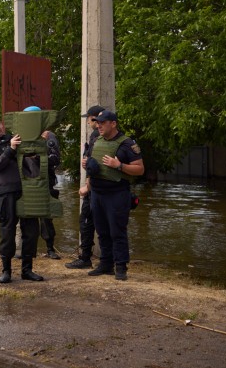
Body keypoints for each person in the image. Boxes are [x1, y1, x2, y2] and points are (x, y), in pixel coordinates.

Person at [81, 110, 144, 281]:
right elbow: (92, 166)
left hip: (117, 194)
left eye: (103, 122)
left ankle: (121, 266)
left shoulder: (127, 144)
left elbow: (140, 169)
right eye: (97, 122)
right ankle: (106, 264)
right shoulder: (96, 141)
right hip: (97, 193)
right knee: (102, 231)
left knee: (117, 231)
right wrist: (87, 165)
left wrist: (119, 165)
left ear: (113, 124)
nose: (99, 126)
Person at [0, 114, 45, 284]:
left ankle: (27, 270)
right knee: (7, 232)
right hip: (5, 193)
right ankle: (6, 271)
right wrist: (10, 149)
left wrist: (38, 144)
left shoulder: (15, 138)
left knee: (31, 231)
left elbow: (33, 155)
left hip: (26, 190)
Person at [66, 105, 104, 270]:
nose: (88, 122)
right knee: (99, 223)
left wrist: (87, 187)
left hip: (95, 188)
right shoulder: (101, 135)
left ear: (94, 118)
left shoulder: (97, 136)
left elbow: (94, 166)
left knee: (87, 222)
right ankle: (106, 260)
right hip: (101, 188)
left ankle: (86, 258)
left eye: (89, 119)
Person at [23, 106, 62, 259]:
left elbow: (55, 159)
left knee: (46, 217)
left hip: (45, 182)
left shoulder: (49, 136)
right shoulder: (22, 137)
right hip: (27, 182)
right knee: (26, 218)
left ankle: (50, 249)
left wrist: (38, 156)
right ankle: (27, 250)